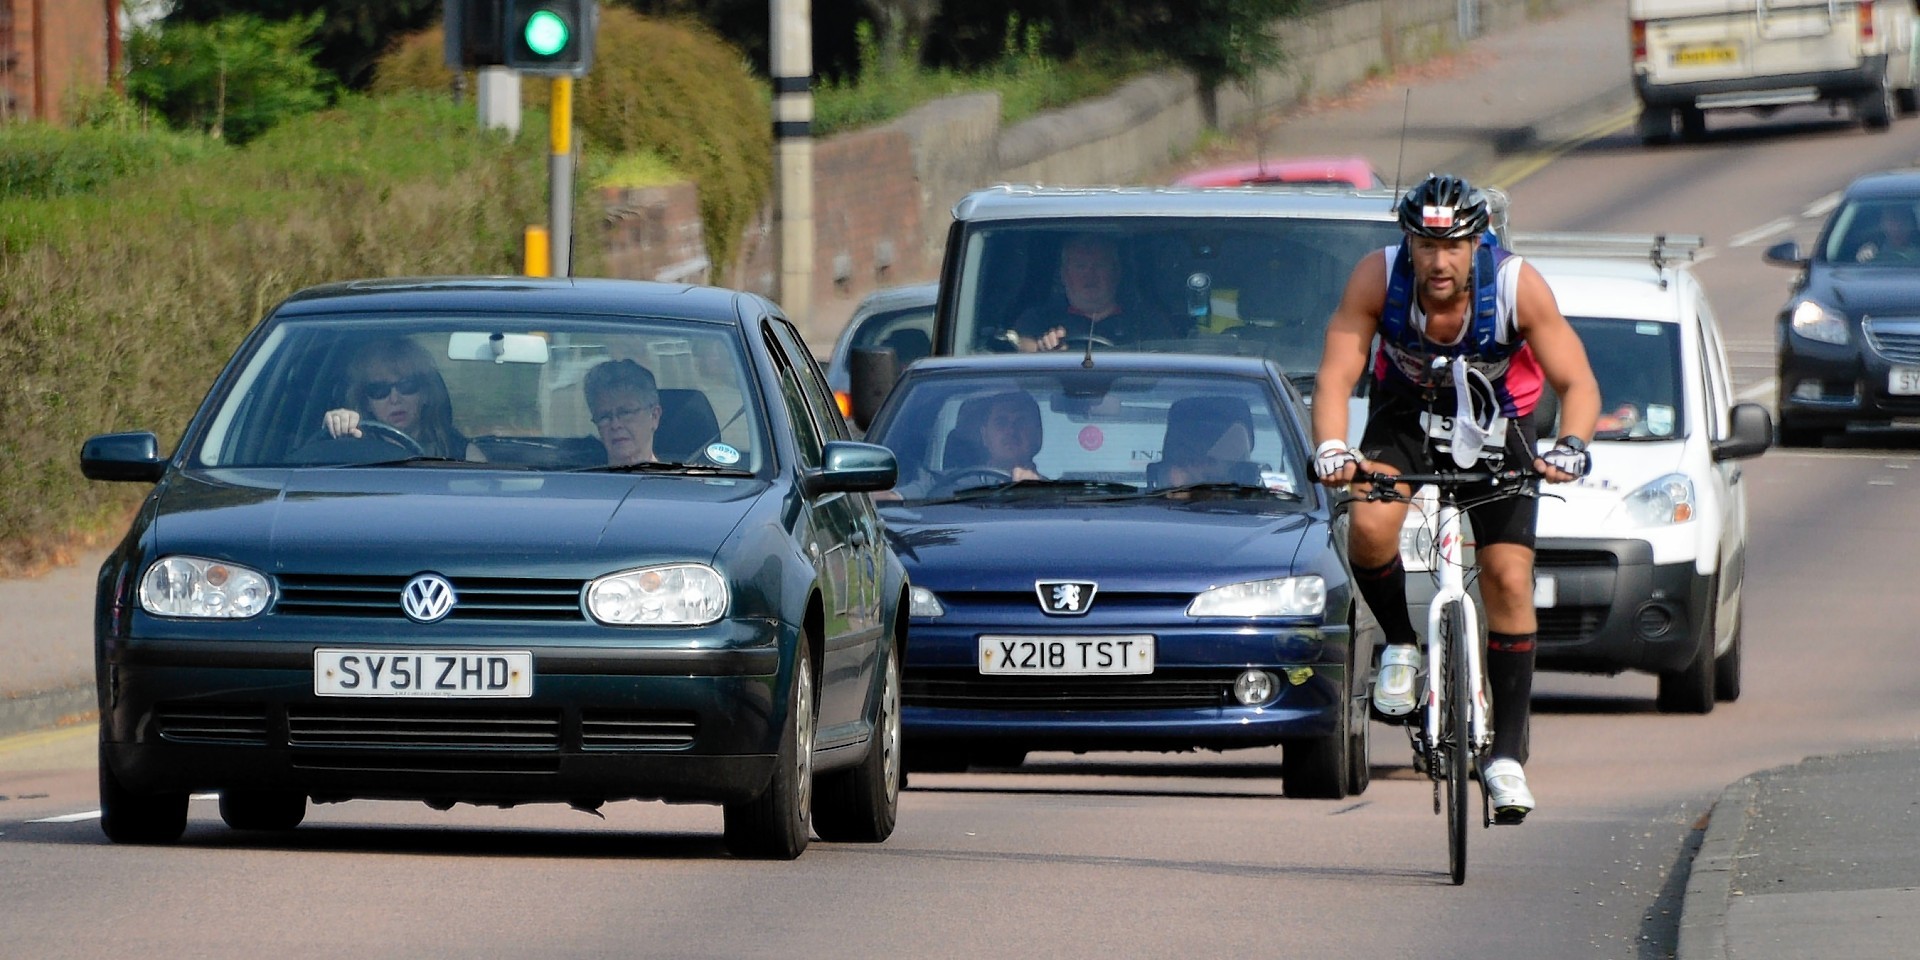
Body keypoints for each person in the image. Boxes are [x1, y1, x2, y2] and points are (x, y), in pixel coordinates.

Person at [1309, 174, 1601, 824]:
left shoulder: (1517, 284)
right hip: (1405, 416)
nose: (1439, 262)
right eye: (1425, 245)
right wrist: (1332, 445)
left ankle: (1506, 757)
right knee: (1371, 523)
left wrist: (1572, 443)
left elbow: (1578, 383)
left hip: (1500, 424)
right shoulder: (1376, 278)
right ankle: (1402, 645)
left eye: (1454, 247)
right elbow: (1336, 375)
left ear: (1478, 242)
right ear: (1408, 241)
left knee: (1505, 576)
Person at [323, 337, 483, 460]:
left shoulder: (462, 455)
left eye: (407, 385)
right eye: (379, 390)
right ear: (367, 402)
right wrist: (336, 429)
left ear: (425, 394)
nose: (394, 399)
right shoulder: (351, 448)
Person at [1014, 234, 1181, 351]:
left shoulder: (1148, 322)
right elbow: (1020, 349)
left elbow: (1170, 366)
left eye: (1100, 266)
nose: (1090, 275)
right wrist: (1043, 350)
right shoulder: (1038, 318)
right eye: (1080, 266)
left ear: (1116, 273)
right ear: (1065, 275)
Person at [1156, 396, 1255, 487]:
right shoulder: (1168, 490)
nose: (1202, 465)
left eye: (1210, 462)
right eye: (1191, 460)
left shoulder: (1257, 500)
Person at [585, 359, 663, 466]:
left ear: (654, 416)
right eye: (604, 417)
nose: (615, 425)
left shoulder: (680, 481)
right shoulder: (579, 481)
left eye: (626, 413)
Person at [1856, 203, 1920, 263]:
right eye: (1891, 220)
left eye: (1903, 219)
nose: (1897, 227)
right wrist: (1864, 256)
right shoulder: (1872, 250)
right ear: (1881, 224)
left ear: (1912, 224)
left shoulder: (1917, 252)